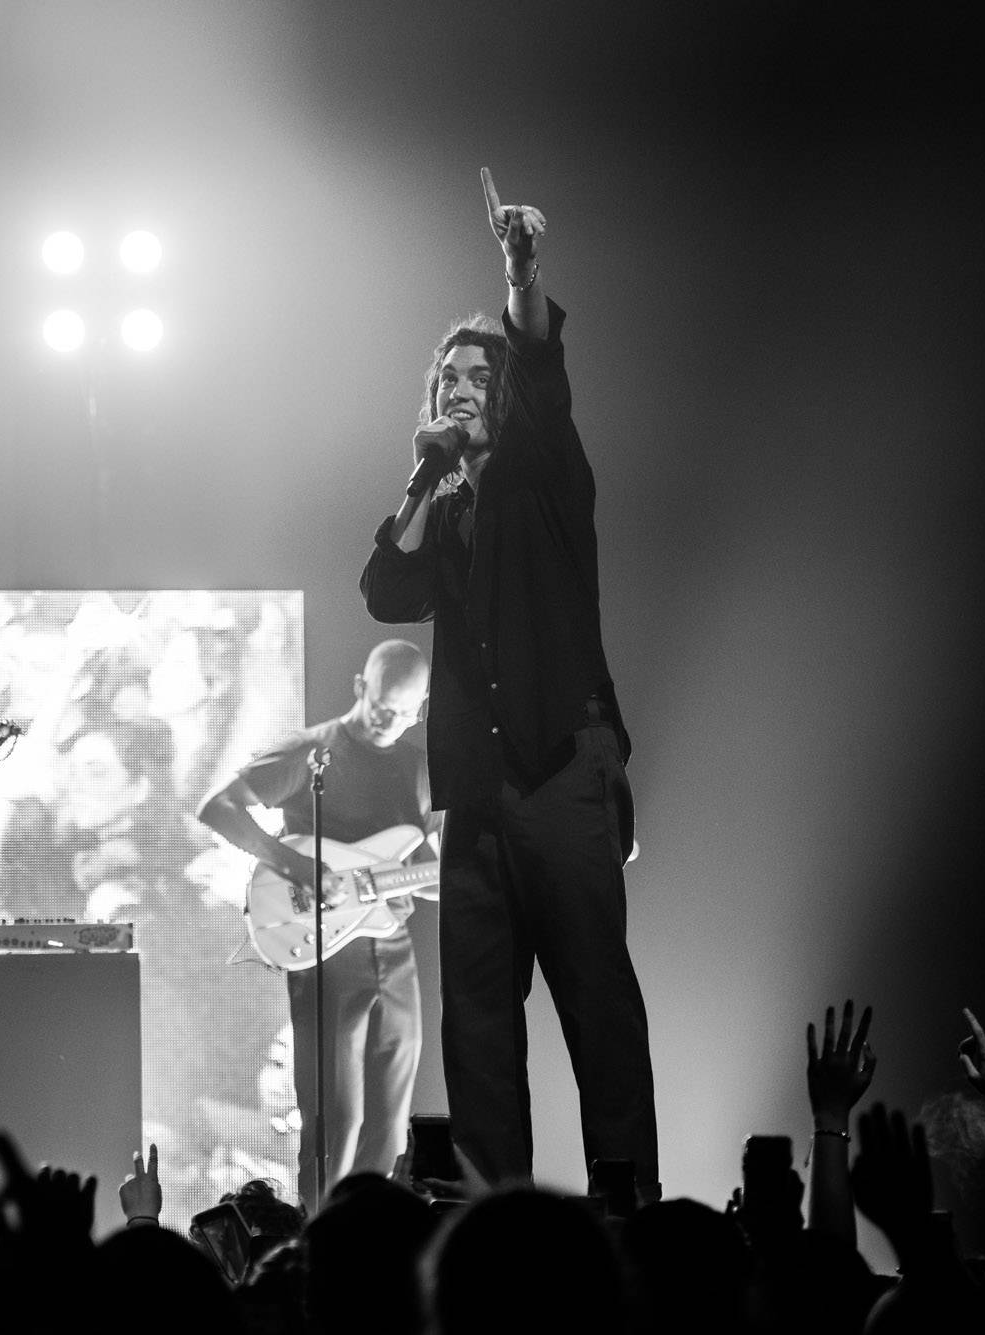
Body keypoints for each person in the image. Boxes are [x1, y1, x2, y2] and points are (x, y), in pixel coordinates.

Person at [359, 167, 658, 1198]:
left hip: (563, 771)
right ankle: (494, 1234)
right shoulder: (441, 509)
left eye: (471, 376)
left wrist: (518, 274)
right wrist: (417, 470)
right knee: (479, 1035)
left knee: (595, 1012)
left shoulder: (543, 473)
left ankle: (628, 1222)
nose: (455, 389)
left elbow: (538, 362)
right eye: (441, 379)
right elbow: (383, 592)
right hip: (477, 800)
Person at [198, 639, 439, 1207]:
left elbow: (423, 866)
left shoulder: (421, 767)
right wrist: (294, 864)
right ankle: (317, 1251)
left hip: (394, 945)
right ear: (361, 687)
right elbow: (218, 806)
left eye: (407, 714)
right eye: (382, 708)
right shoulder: (312, 751)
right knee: (336, 1121)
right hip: (326, 949)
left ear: (423, 708)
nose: (391, 723)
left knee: (391, 1121)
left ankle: (372, 1241)